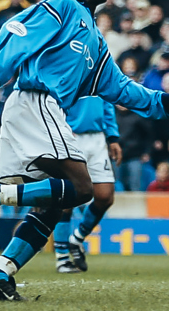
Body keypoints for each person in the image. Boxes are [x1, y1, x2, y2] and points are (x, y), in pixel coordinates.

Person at [0, 0, 169, 301]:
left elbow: (122, 88)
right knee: (83, 188)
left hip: (37, 110)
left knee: (54, 206)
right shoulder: (63, 6)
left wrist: (168, 101)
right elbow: (17, 30)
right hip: (35, 101)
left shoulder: (96, 42)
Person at [51, 96, 119, 274]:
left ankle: (77, 239)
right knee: (67, 198)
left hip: (97, 139)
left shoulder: (102, 69)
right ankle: (62, 258)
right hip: (70, 136)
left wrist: (112, 137)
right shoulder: (64, 69)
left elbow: (108, 101)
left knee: (105, 196)